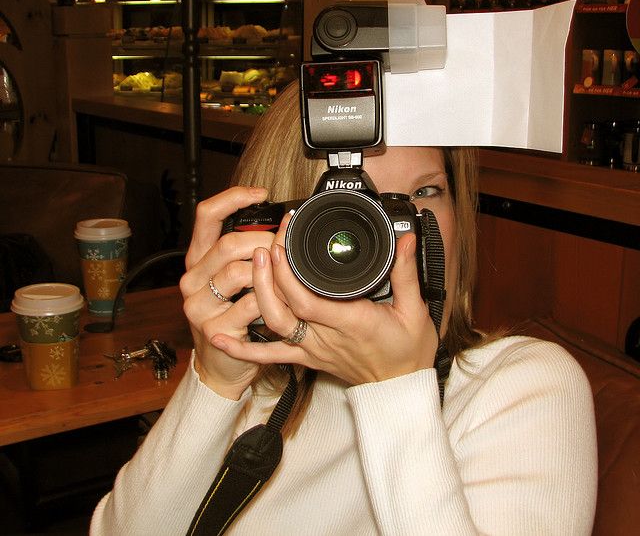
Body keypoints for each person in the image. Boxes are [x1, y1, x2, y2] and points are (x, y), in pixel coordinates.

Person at [91, 82, 597, 535]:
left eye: (425, 192)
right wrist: (215, 379)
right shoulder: (257, 382)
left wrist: (395, 387)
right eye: (354, 209)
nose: (395, 233)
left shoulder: (519, 386)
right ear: (271, 225)